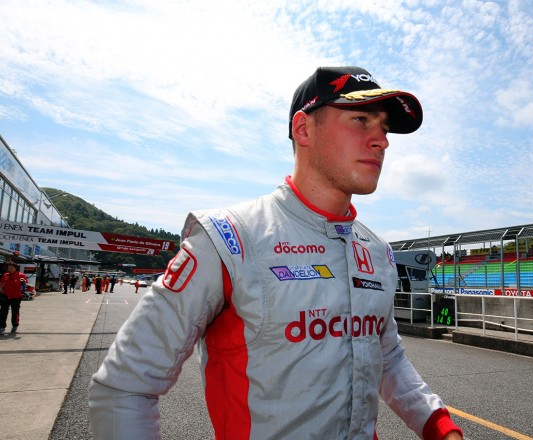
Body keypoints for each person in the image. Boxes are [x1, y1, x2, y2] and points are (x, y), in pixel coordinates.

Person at [89, 66, 463, 440]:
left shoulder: (376, 250)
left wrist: (441, 427)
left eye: (384, 127)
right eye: (361, 120)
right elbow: (124, 386)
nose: (381, 141)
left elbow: (388, 358)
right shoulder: (228, 238)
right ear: (303, 129)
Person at [0, 262, 27, 334]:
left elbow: (26, 285)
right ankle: (2, 327)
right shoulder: (5, 275)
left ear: (16, 268)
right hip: (5, 295)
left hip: (16, 297)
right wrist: (1, 288)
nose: (10, 269)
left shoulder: (21, 275)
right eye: (8, 268)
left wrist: (26, 290)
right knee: (3, 311)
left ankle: (15, 325)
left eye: (12, 268)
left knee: (15, 311)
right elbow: (2, 283)